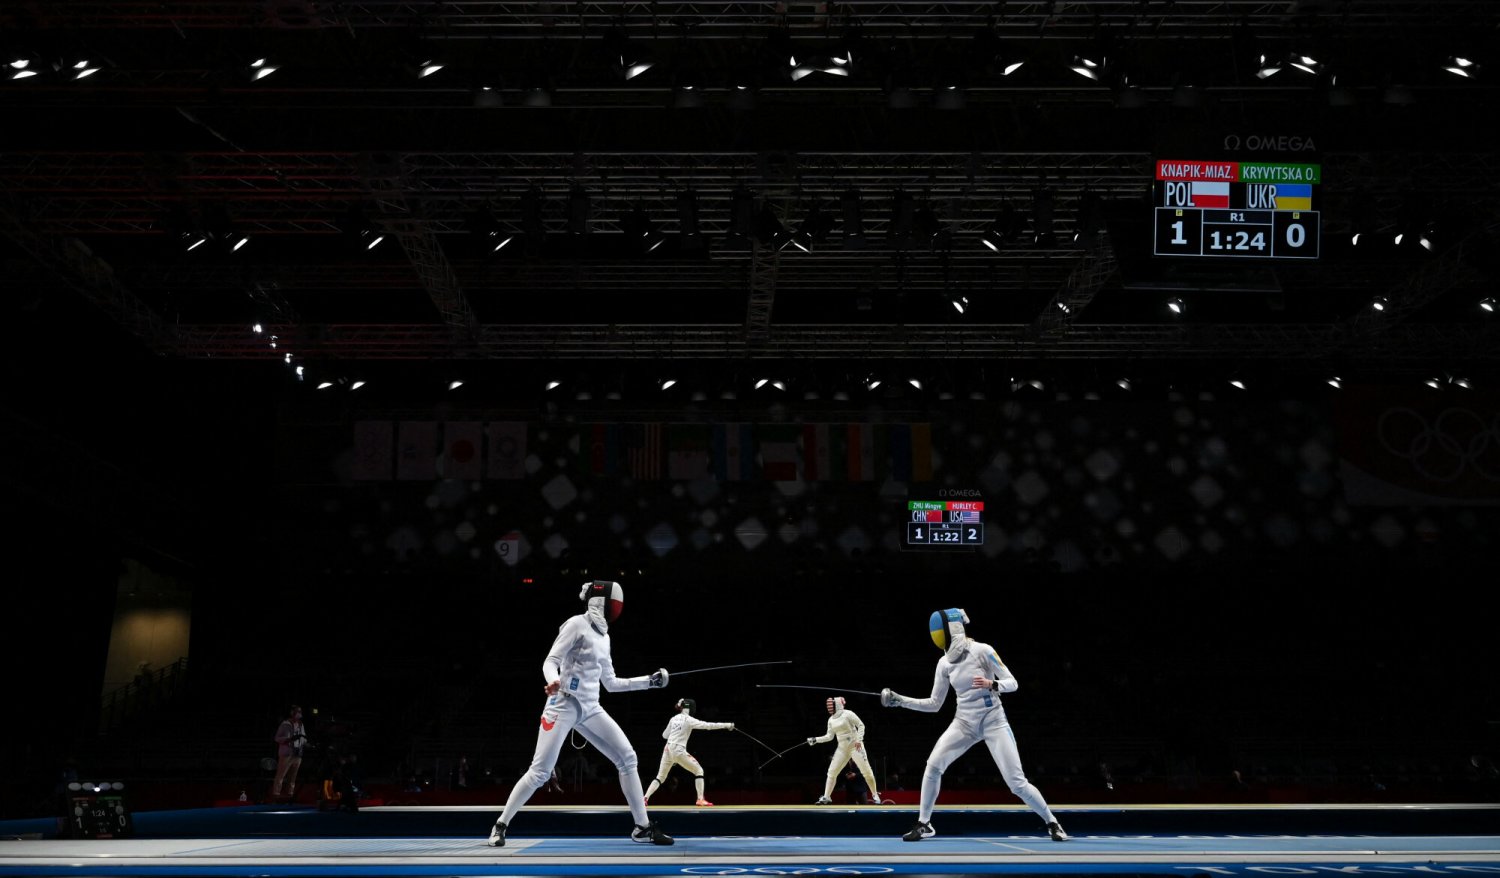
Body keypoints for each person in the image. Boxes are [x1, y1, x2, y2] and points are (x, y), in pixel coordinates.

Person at [486, 580, 673, 847]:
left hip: (590, 708)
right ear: (602, 602)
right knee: (540, 772)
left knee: (627, 757)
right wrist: (553, 680)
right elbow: (551, 661)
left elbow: (611, 683)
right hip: (563, 704)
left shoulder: (604, 637)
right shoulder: (575, 624)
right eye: (614, 604)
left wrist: (649, 681)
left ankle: (642, 828)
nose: (617, 610)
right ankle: (500, 825)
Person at [881, 608, 1068, 843]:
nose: (937, 637)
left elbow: (1013, 683)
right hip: (964, 723)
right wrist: (901, 701)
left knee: (1016, 783)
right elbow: (934, 704)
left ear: (952, 629)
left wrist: (992, 684)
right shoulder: (944, 664)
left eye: (939, 631)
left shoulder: (983, 650)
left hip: (994, 721)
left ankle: (1052, 822)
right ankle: (924, 823)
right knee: (933, 766)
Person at [644, 698, 735, 806]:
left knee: (660, 777)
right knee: (699, 771)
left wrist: (676, 730)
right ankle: (700, 799)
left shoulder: (673, 718)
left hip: (667, 749)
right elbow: (708, 726)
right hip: (678, 750)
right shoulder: (689, 720)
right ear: (690, 708)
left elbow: (664, 735)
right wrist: (727, 725)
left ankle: (644, 798)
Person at [807, 696, 881, 806]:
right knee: (832, 772)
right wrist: (815, 740)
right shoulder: (831, 720)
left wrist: (859, 740)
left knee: (866, 771)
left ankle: (875, 795)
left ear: (837, 705)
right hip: (842, 748)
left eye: (831, 705)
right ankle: (827, 797)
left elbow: (861, 725)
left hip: (855, 746)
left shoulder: (848, 714)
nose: (829, 707)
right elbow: (829, 736)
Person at [271, 705, 308, 801]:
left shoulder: (301, 724)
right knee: (281, 775)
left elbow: (304, 737)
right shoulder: (285, 724)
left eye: (300, 712)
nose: (299, 713)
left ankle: (290, 794)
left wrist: (305, 743)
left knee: (293, 776)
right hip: (287, 754)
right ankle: (276, 794)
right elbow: (277, 738)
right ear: (292, 713)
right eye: (297, 711)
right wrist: (288, 739)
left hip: (297, 754)